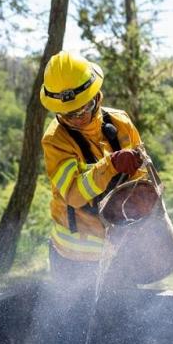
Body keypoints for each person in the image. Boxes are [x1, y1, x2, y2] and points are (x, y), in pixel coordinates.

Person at [40, 50, 145, 281]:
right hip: (73, 258)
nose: (76, 118)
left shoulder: (121, 123)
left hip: (120, 251)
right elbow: (74, 194)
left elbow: (143, 183)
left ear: (97, 96)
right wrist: (112, 164)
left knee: (124, 315)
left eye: (82, 109)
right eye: (67, 114)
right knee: (72, 318)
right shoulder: (55, 139)